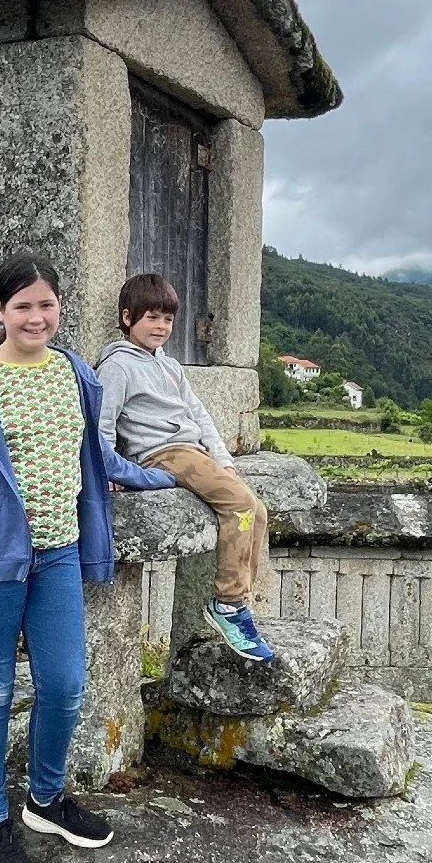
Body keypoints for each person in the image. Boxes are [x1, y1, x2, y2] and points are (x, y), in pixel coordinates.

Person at [0, 252, 176, 863]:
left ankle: (44, 799)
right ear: (1, 312)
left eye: (47, 304)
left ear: (60, 307)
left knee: (64, 683)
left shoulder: (75, 373)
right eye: (23, 306)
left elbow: (97, 455)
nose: (37, 317)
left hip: (59, 552)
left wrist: (160, 477)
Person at [97, 272, 274, 664]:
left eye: (168, 320)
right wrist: (106, 471)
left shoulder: (171, 366)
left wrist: (223, 461)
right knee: (241, 508)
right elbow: (102, 423)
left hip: (194, 451)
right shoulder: (118, 367)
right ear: (128, 318)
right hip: (163, 453)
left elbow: (200, 415)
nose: (161, 327)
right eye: (151, 318)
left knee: (257, 511)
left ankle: (243, 600)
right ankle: (228, 604)